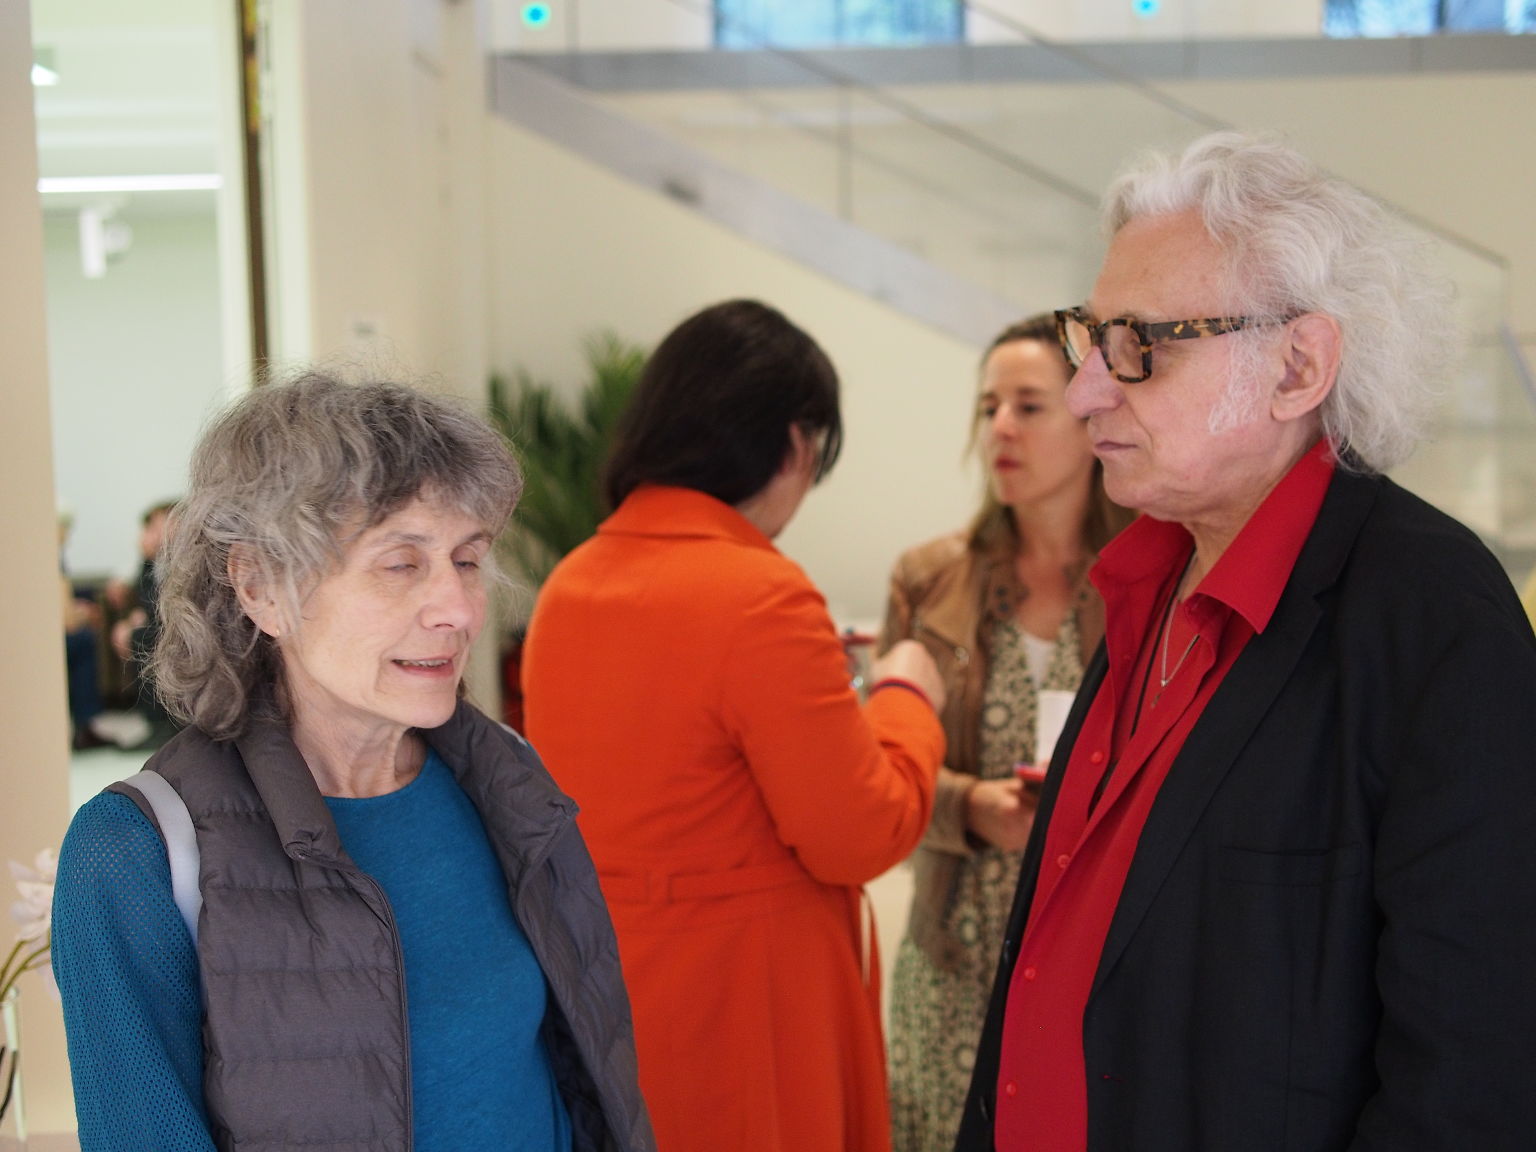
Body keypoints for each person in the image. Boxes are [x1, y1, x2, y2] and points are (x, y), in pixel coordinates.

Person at [955, 131, 1536, 1151]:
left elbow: (1470, 1073)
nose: (1088, 390)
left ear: (1298, 366)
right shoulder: (1150, 578)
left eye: (1142, 345)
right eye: (1090, 337)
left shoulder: (1434, 620)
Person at [52, 372, 654, 1152]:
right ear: (261, 588)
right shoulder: (137, 854)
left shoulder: (506, 778)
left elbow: (582, 1084)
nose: (458, 609)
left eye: (467, 560)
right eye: (401, 564)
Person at [521, 299, 948, 1152]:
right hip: (746, 1009)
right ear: (795, 444)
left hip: (610, 987)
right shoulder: (760, 594)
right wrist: (907, 697)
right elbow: (858, 835)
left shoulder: (570, 585)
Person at [879, 314, 1131, 1152]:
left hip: (1095, 957)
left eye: (1029, 406)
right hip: (952, 952)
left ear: (1092, 416)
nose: (1001, 429)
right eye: (989, 408)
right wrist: (973, 807)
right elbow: (878, 768)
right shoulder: (930, 578)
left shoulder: (1149, 573)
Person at [108, 499, 178, 746]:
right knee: (139, 634)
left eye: (156, 527)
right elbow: (148, 599)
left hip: (181, 625)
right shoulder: (153, 562)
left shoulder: (184, 558)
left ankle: (161, 724)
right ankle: (152, 723)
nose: (150, 535)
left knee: (142, 638)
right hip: (163, 623)